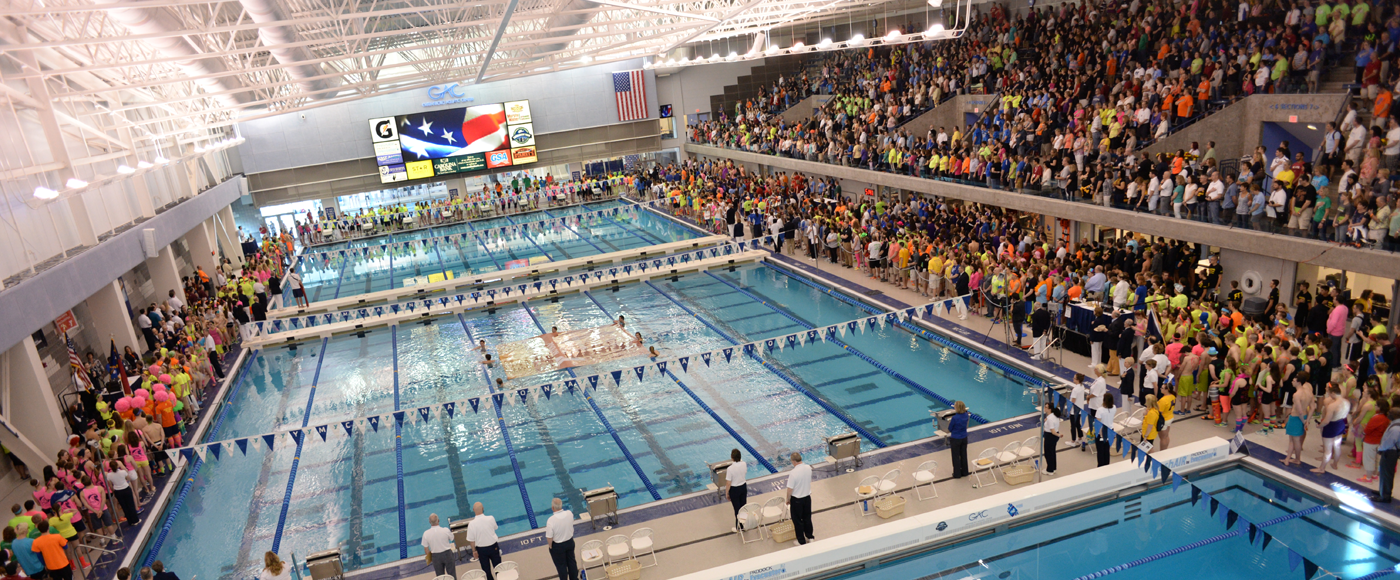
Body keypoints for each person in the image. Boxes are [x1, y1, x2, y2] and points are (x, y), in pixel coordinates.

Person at [1314, 384, 1349, 475]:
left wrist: (1320, 426)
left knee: (1328, 449)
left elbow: (1326, 421)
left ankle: (1322, 468)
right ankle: (1335, 464)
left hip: (1332, 426)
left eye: (1329, 393)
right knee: (1337, 446)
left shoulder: (1332, 405)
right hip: (1341, 424)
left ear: (1333, 393)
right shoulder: (1347, 402)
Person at [1283, 373, 1314, 467]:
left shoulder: (1296, 395)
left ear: (1299, 382)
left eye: (1293, 381)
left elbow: (1299, 411)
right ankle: (1288, 458)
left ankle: (1297, 459)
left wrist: (1304, 422)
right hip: (1304, 417)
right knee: (1294, 440)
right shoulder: (1309, 392)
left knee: (1294, 441)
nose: (1292, 382)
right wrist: (1307, 420)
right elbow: (1312, 407)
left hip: (1296, 418)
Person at [784, 452, 814, 545]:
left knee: (797, 521)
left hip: (797, 500)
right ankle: (810, 536)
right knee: (807, 518)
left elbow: (790, 489)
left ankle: (801, 541)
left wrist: (787, 499)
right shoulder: (808, 468)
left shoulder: (793, 473)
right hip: (807, 498)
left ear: (793, 461)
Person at [545, 498, 578, 580]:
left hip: (558, 546)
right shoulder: (569, 513)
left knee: (561, 566)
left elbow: (549, 537)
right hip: (570, 542)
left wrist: (550, 546)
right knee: (572, 563)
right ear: (561, 505)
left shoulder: (551, 520)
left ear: (552, 507)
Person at [1373, 407, 1400, 503]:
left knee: (1386, 474)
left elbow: (1389, 442)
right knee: (1384, 472)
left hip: (1390, 452)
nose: (1388, 413)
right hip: (1390, 451)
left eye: (1390, 412)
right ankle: (1383, 491)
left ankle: (1385, 496)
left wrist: (1379, 448)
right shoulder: (1395, 424)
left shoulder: (1396, 428)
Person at [466, 503, 500, 580]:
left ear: (473, 510)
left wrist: (474, 551)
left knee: (486, 571)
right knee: (498, 568)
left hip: (481, 550)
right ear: (483, 508)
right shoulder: (491, 518)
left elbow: (471, 540)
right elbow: (495, 528)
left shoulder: (471, 524)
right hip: (493, 547)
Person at [105, 459, 139, 526]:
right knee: (131, 505)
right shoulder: (123, 472)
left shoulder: (109, 475)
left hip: (118, 491)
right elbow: (128, 478)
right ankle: (135, 520)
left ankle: (130, 521)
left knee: (124, 506)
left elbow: (111, 485)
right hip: (126, 489)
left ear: (110, 467)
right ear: (117, 466)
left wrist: (114, 492)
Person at [721, 449, 747, 532]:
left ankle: (737, 527)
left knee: (737, 509)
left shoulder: (730, 469)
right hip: (743, 487)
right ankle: (743, 525)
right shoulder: (744, 464)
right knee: (743, 507)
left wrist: (727, 493)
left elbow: (728, 483)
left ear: (732, 457)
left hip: (734, 489)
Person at [948, 401, 970, 478]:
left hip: (955, 439)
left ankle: (957, 474)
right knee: (964, 455)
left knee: (956, 456)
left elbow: (950, 429)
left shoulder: (955, 418)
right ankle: (965, 472)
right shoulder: (966, 415)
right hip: (964, 438)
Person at [1095, 394, 1118, 467]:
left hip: (1102, 432)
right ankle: (1107, 465)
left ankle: (1101, 466)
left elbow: (1098, 424)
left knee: (1100, 451)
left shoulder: (1100, 410)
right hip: (1110, 430)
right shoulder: (1114, 407)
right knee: (1106, 450)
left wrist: (1100, 435)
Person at [1042, 403, 1062, 475]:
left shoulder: (1050, 419)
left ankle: (1049, 470)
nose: (1044, 408)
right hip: (1053, 437)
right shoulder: (1054, 416)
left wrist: (1059, 435)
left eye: (1046, 407)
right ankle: (1053, 468)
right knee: (1052, 452)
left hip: (1050, 436)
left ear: (1049, 409)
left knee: (1048, 453)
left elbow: (1053, 432)